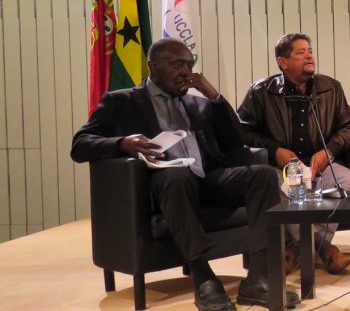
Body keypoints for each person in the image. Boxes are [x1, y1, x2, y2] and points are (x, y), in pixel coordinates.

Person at [71, 38, 300, 310]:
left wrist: (214, 97)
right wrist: (122, 143)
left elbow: (237, 140)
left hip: (207, 178)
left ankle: (259, 279)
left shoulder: (197, 102)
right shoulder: (122, 101)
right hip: (162, 184)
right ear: (153, 66)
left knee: (262, 174)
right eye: (177, 64)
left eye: (189, 65)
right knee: (176, 177)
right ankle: (203, 279)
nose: (185, 71)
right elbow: (80, 145)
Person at [237, 33, 350, 274]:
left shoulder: (330, 88)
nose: (309, 55)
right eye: (301, 52)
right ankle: (323, 247)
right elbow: (241, 131)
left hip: (320, 165)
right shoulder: (261, 91)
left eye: (310, 50)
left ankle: (295, 249)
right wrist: (275, 150)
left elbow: (349, 127)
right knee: (273, 187)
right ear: (283, 62)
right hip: (280, 167)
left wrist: (329, 151)